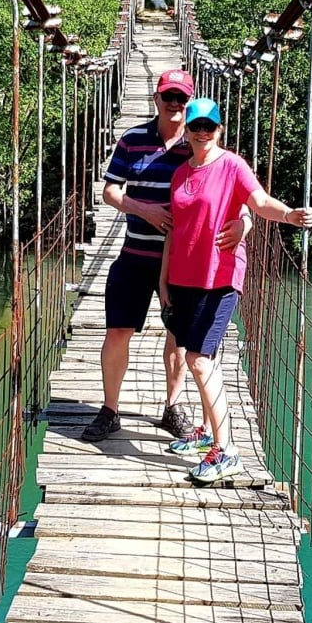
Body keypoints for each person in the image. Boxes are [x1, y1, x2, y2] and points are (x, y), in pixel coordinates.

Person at [80, 71, 252, 443]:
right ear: (156, 99)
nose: (174, 103)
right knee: (117, 330)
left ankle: (172, 407)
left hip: (186, 263)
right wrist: (145, 210)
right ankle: (109, 410)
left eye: (181, 98)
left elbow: (237, 190)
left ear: (189, 104)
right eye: (168, 96)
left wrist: (245, 223)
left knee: (177, 337)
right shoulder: (132, 140)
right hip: (135, 254)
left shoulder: (200, 142)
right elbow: (110, 191)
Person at [159, 96, 312, 484]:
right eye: (196, 126)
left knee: (198, 359)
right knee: (197, 357)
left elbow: (258, 202)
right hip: (183, 278)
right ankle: (208, 433)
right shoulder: (180, 174)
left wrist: (289, 216)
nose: (202, 132)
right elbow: (175, 229)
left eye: (209, 126)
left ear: (219, 129)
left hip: (220, 277)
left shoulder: (231, 165)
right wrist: (163, 279)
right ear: (187, 131)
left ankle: (226, 451)